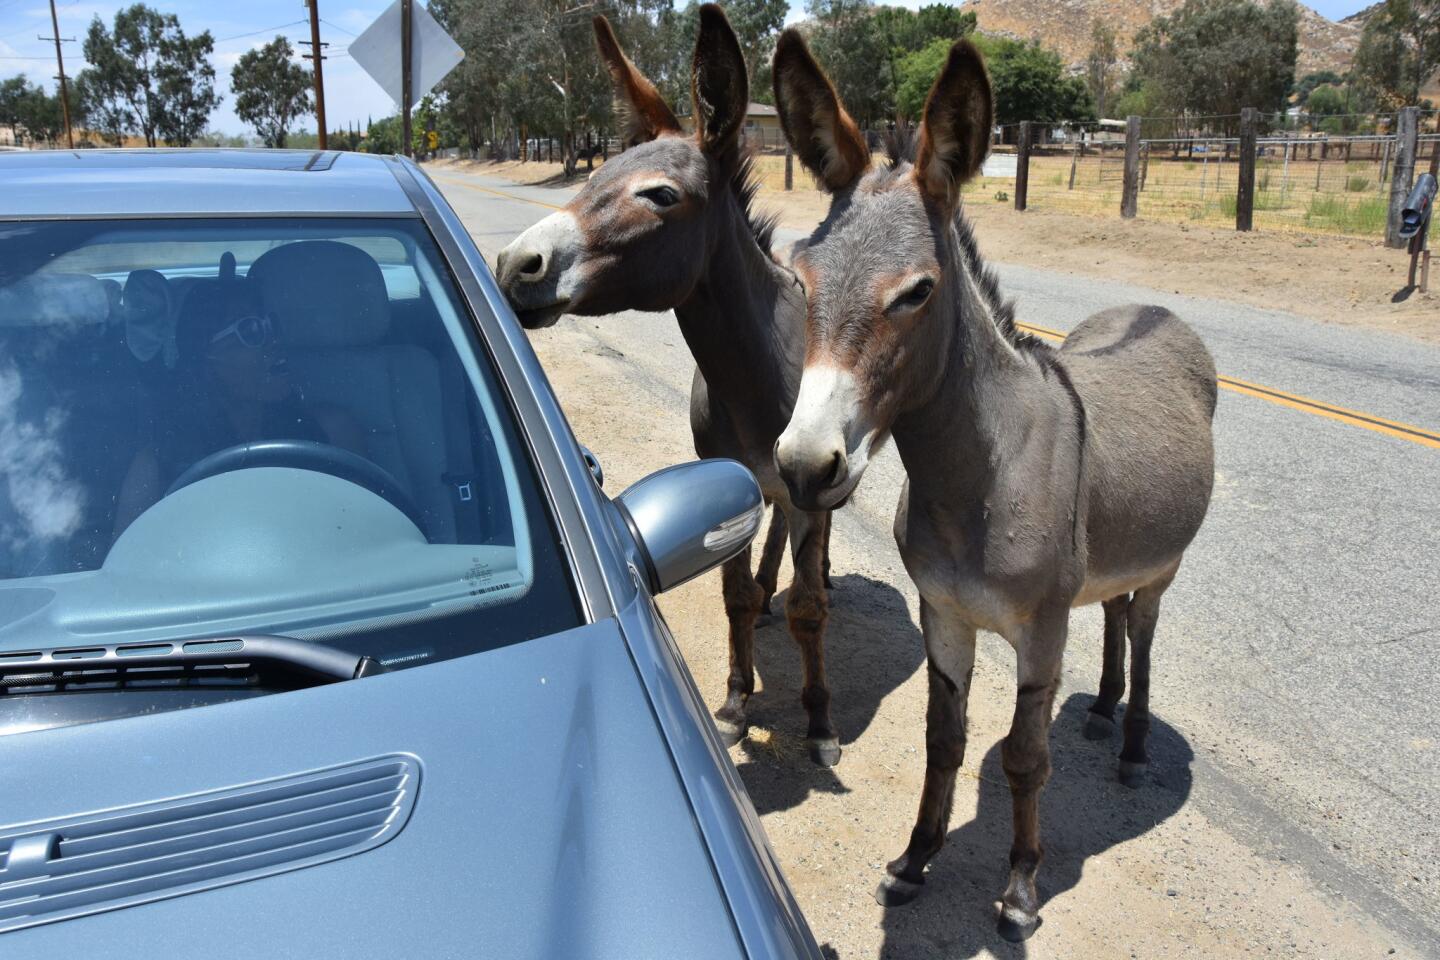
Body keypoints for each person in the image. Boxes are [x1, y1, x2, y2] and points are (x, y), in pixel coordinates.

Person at [112, 254, 364, 540]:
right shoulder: (156, 466)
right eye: (251, 331)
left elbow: (369, 534)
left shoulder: (333, 432)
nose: (274, 342)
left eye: (271, 325)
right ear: (203, 358)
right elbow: (125, 571)